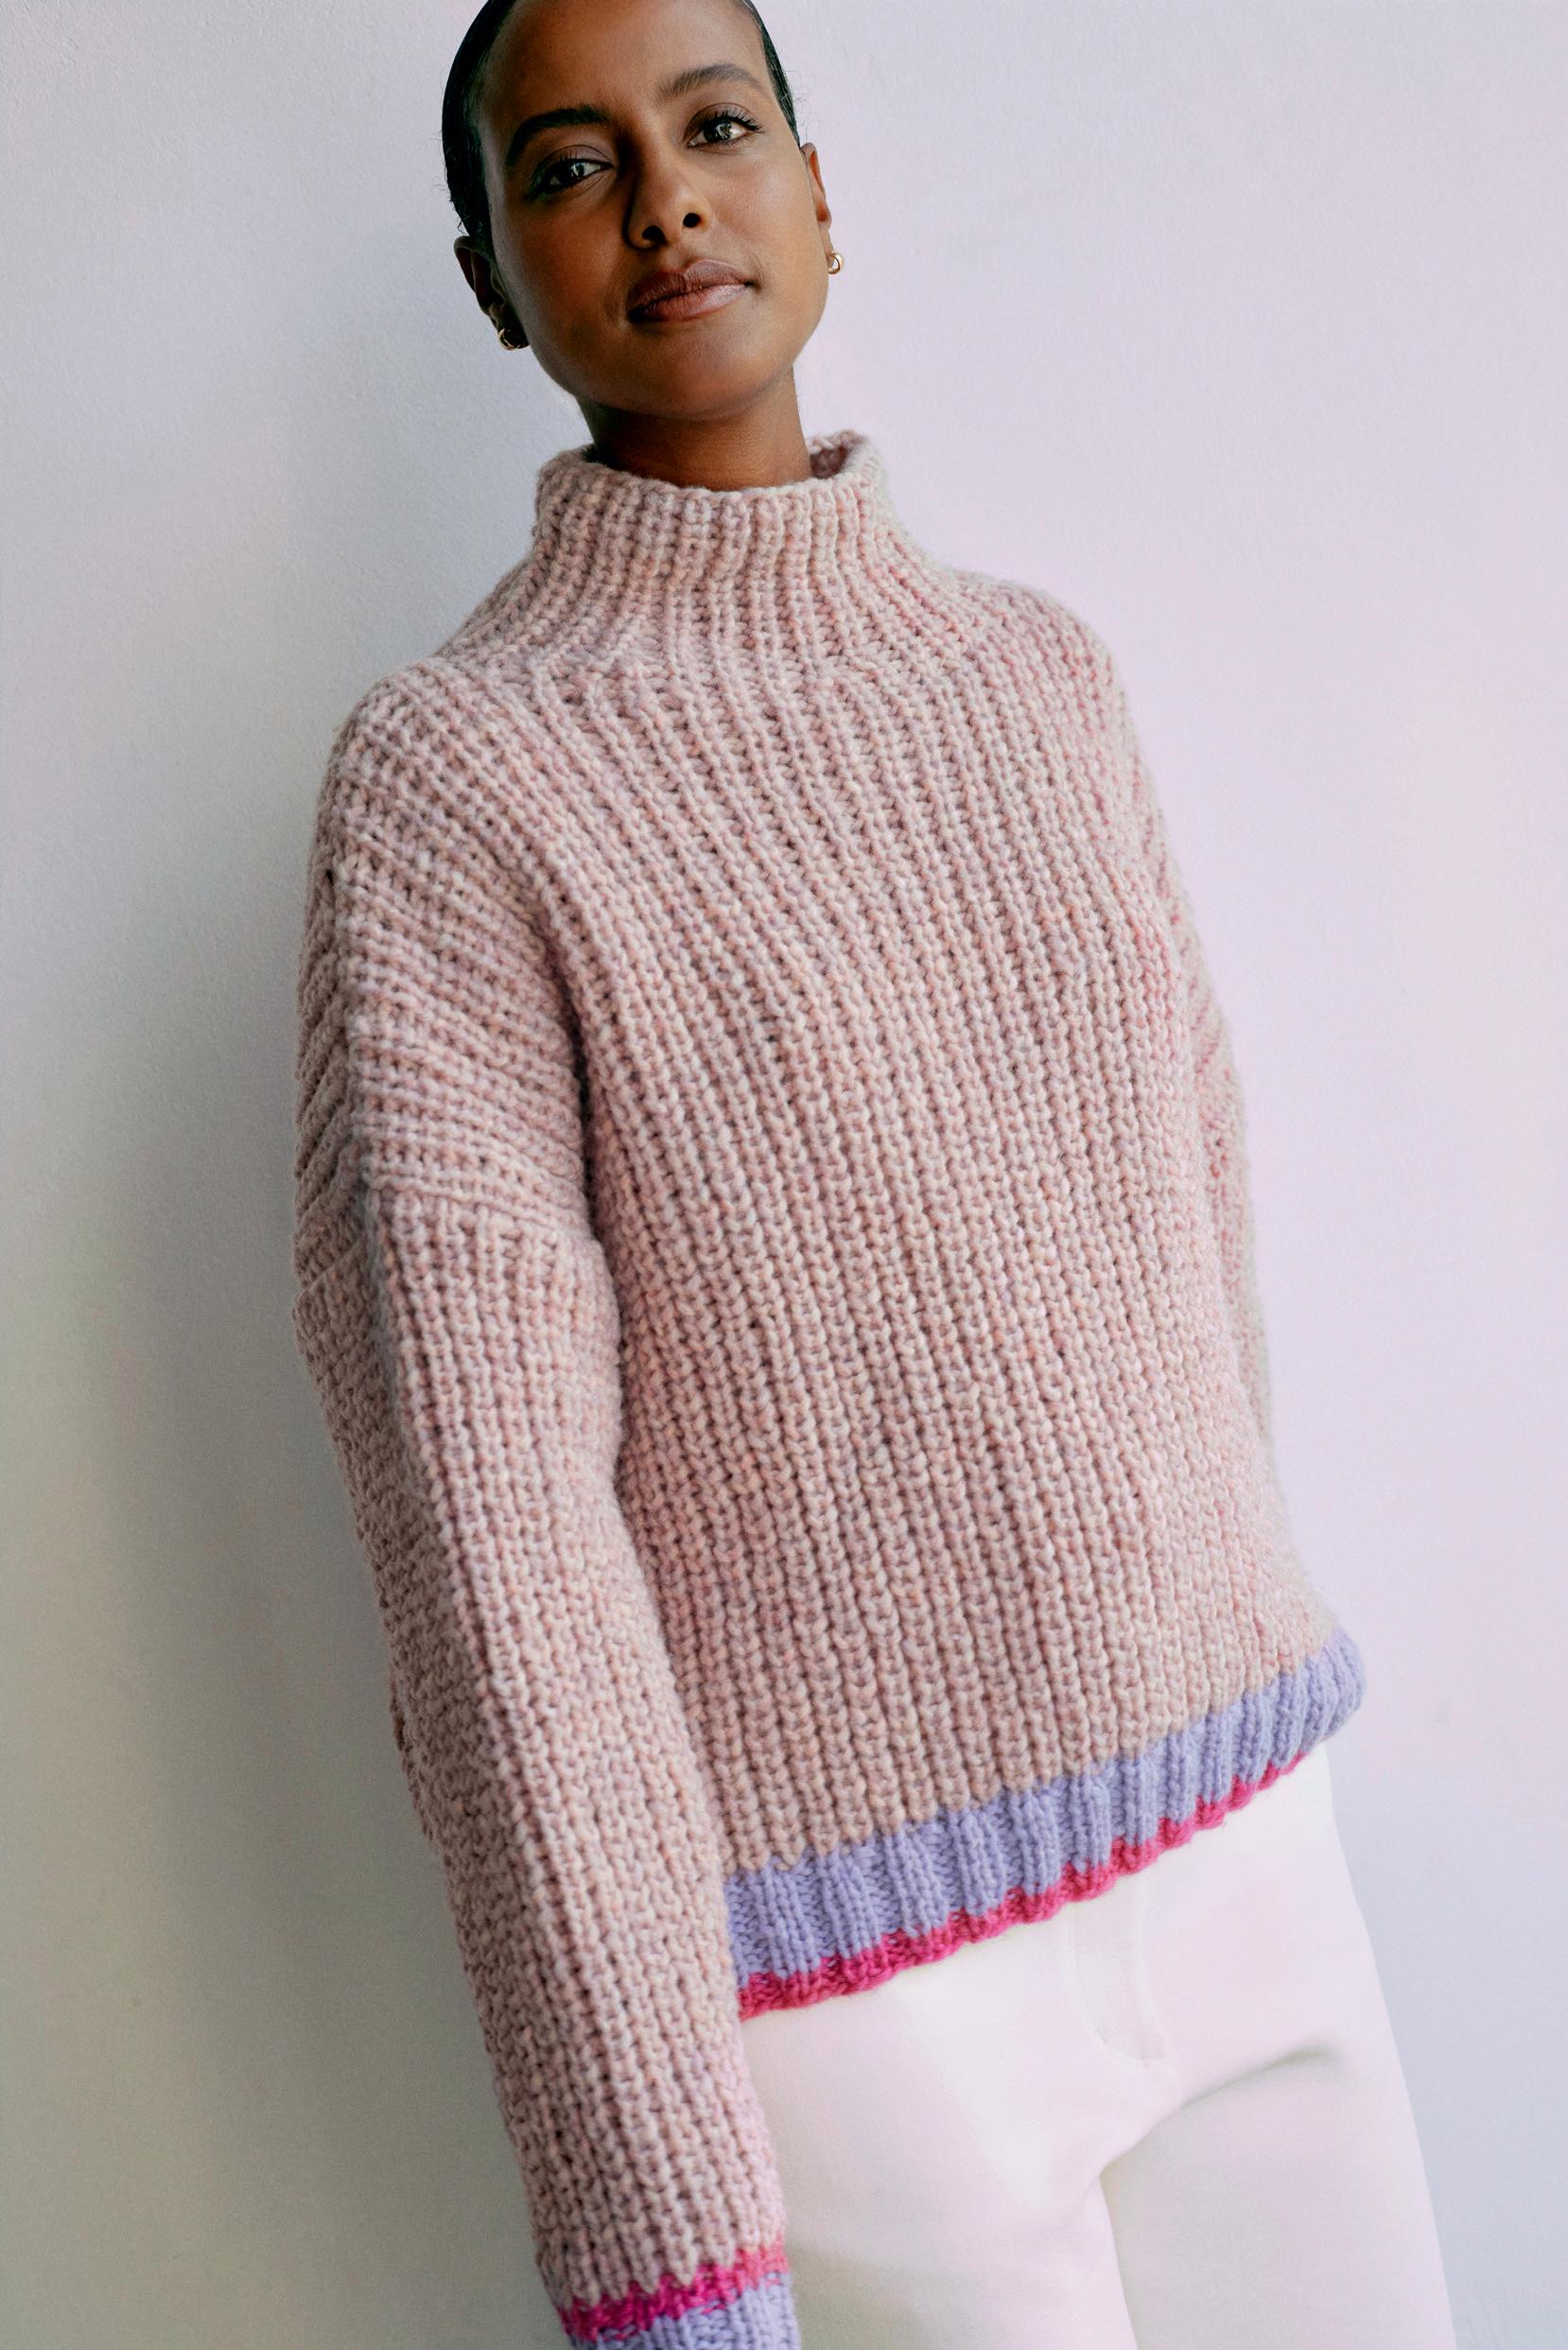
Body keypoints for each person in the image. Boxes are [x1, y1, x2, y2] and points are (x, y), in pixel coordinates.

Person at [288, 0, 1458, 2343]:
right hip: (861, 2001)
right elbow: (494, 1553)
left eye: (715, 125)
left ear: (818, 191)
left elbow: (1191, 1248)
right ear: (492, 277)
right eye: (566, 166)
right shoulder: (456, 783)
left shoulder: (1040, 679)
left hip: (1245, 1844)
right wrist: (653, 2214)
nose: (663, 199)